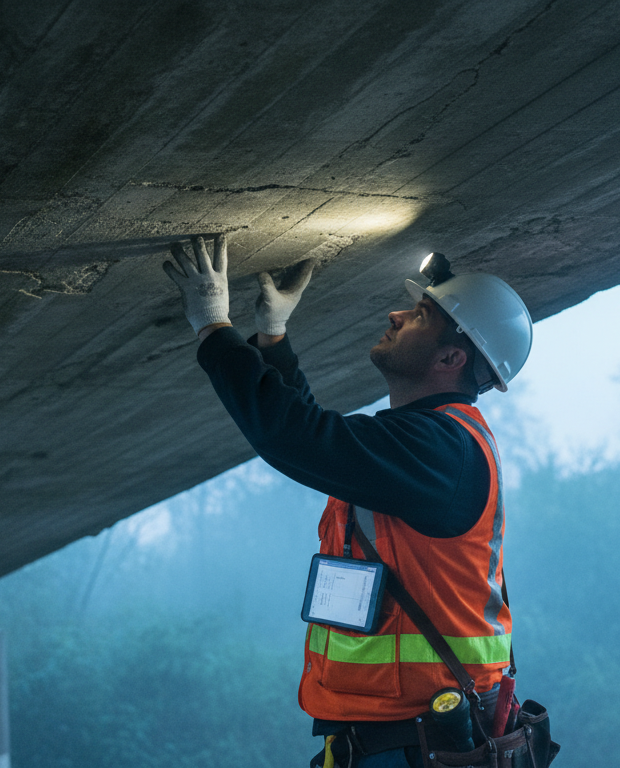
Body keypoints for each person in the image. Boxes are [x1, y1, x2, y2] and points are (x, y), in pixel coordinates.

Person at [163, 233, 533, 767]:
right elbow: (321, 443)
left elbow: (299, 438)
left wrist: (214, 329)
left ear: (451, 356)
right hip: (399, 737)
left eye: (420, 316)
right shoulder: (428, 441)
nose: (396, 314)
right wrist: (272, 340)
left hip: (415, 740)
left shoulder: (439, 450)